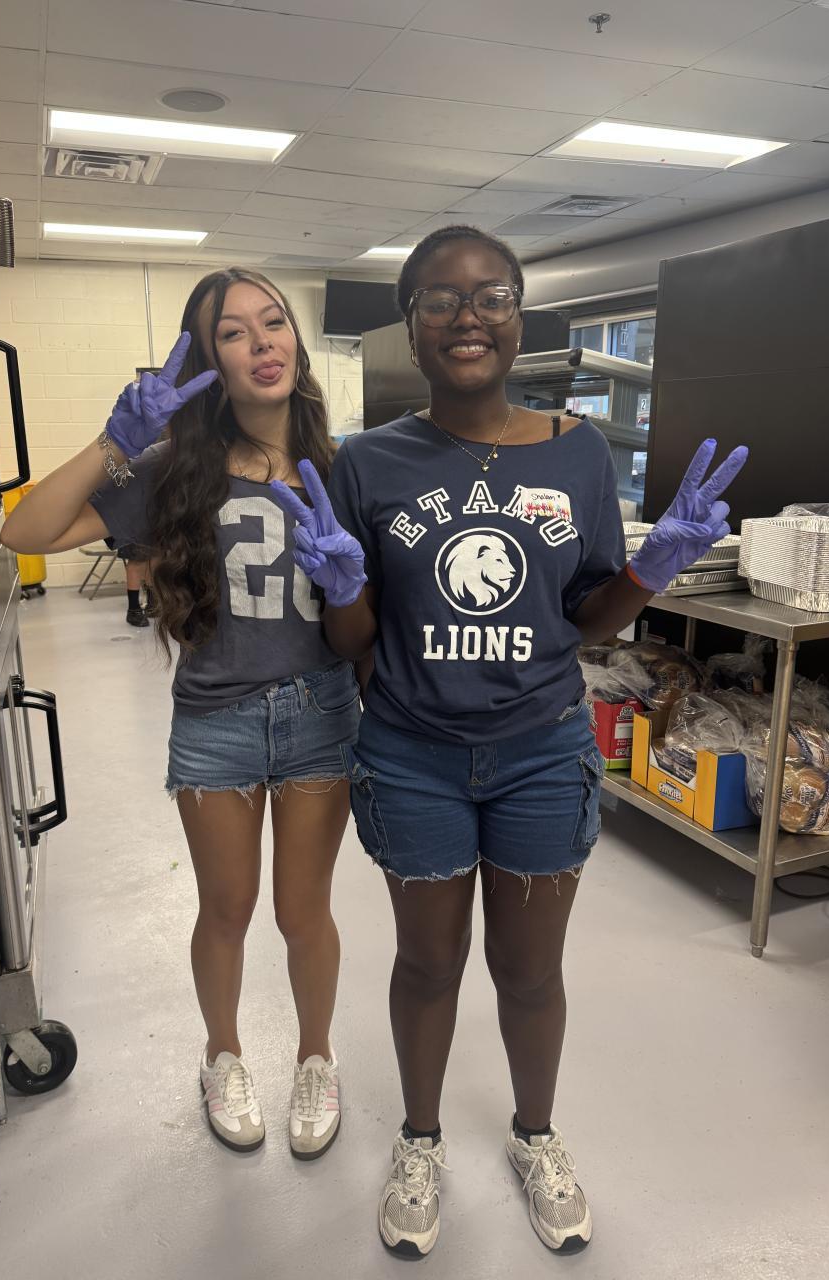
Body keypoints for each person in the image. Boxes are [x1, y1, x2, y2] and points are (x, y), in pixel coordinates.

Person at [272, 226, 747, 1257]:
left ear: (519, 317)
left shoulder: (577, 452)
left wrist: (651, 570)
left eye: (491, 295)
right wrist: (345, 592)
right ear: (410, 324)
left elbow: (585, 621)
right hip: (412, 755)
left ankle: (535, 1135)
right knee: (426, 964)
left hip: (539, 750)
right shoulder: (369, 462)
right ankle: (420, 1139)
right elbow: (353, 642)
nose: (468, 316)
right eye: (441, 299)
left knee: (530, 973)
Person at [1, 268, 363, 1160]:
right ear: (208, 362)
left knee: (304, 912)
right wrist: (113, 443)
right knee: (226, 909)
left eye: (273, 322)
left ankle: (316, 1058)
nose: (262, 342)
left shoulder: (348, 467)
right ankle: (222, 1056)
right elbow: (25, 532)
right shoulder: (173, 470)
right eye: (233, 333)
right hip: (216, 719)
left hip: (320, 713)